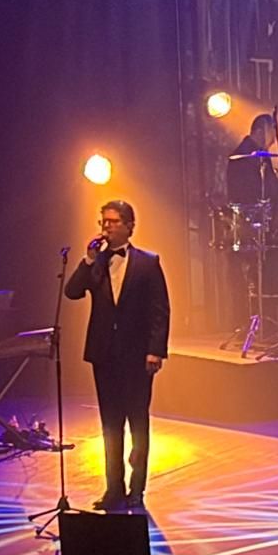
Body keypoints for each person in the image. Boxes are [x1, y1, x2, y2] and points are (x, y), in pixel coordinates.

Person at [64, 200, 170, 513]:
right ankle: (114, 489)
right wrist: (87, 260)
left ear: (128, 225)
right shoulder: (96, 262)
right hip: (105, 354)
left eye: (112, 221)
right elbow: (72, 292)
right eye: (103, 221)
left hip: (137, 356)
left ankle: (137, 489)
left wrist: (155, 349)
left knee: (137, 421)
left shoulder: (148, 262)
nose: (106, 227)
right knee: (110, 424)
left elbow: (159, 310)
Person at [226, 112, 278, 204]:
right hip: (250, 211)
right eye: (271, 136)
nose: (273, 141)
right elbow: (256, 189)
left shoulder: (260, 154)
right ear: (259, 132)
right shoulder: (245, 156)